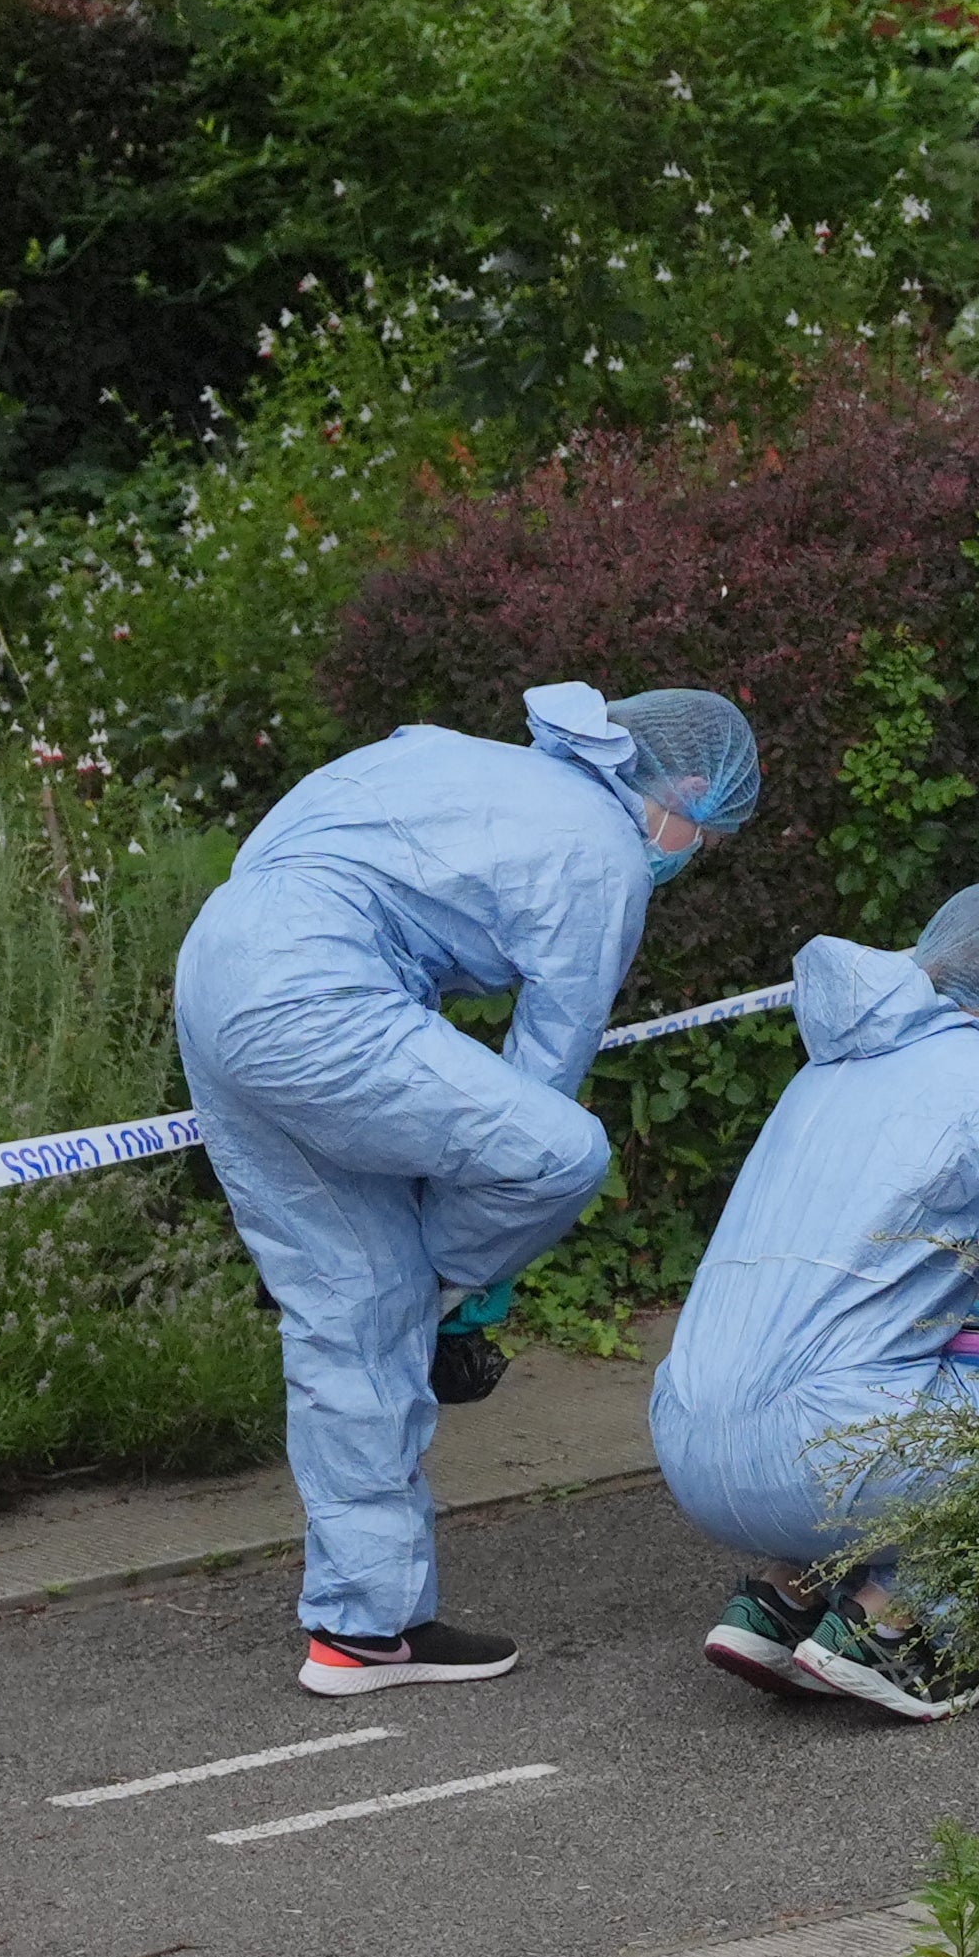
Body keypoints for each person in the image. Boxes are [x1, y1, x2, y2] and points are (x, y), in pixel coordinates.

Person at [176, 679, 756, 1694]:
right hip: (322, 989)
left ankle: (363, 1631)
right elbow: (545, 1074)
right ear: (685, 791)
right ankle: (442, 1300)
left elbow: (280, 850)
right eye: (700, 838)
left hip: (219, 970)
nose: (686, 857)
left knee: (350, 1308)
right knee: (562, 1151)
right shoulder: (607, 851)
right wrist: (473, 1276)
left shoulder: (450, 752)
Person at [656, 882, 979, 1717]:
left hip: (686, 1439)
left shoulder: (824, 1073)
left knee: (884, 1388)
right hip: (822, 1456)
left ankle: (781, 1596)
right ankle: (896, 1629)